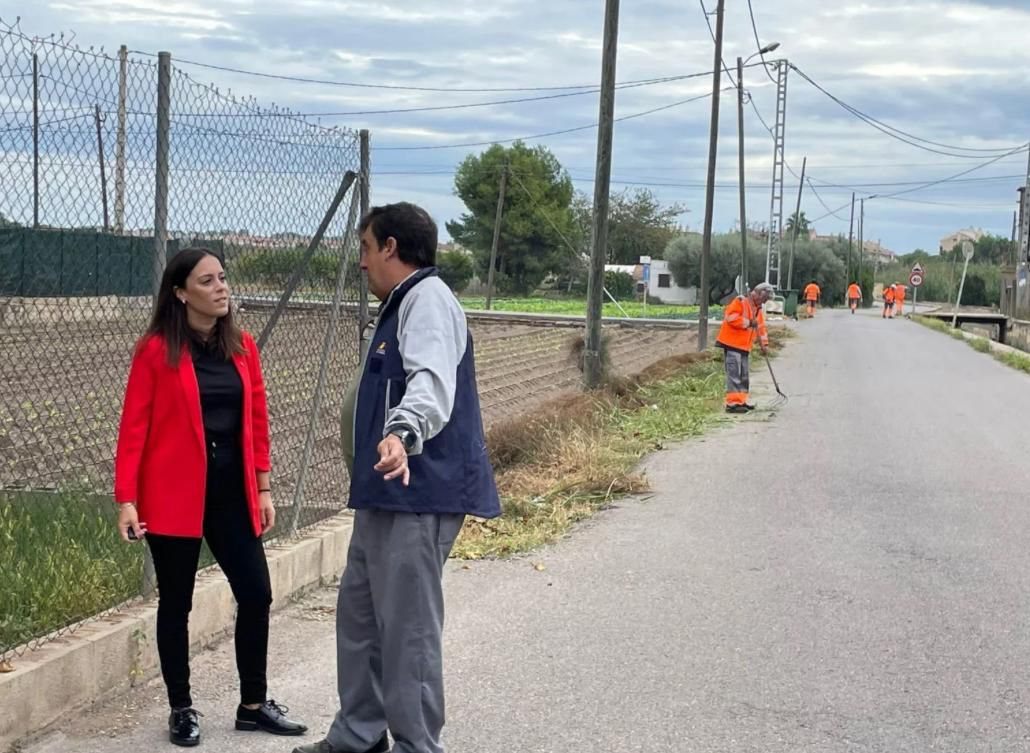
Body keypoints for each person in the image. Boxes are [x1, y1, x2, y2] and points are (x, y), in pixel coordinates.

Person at [296, 203, 501, 753]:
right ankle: (359, 734)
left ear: (390, 247)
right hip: (386, 489)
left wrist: (403, 433)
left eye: (366, 248)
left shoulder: (428, 301)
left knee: (407, 630)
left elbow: (430, 382)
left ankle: (416, 745)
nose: (361, 262)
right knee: (361, 618)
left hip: (419, 489)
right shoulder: (400, 304)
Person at [115, 248, 306, 747]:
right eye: (208, 280)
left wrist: (263, 488)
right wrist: (127, 500)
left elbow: (258, 422)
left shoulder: (242, 347)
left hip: (231, 496)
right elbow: (133, 429)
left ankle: (253, 705)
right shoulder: (156, 350)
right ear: (180, 293)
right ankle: (181, 708)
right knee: (175, 604)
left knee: (257, 593)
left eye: (223, 278)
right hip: (173, 498)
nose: (222, 288)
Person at [716, 282, 772, 414]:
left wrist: (764, 345)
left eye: (765, 301)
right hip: (732, 344)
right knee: (734, 374)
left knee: (744, 376)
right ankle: (732, 404)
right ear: (757, 294)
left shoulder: (757, 308)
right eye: (763, 299)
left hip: (744, 346)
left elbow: (761, 327)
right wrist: (748, 323)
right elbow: (730, 317)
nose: (763, 303)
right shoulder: (741, 301)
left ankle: (741, 401)